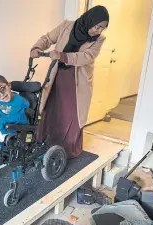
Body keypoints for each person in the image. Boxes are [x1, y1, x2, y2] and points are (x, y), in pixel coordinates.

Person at [30, 5, 109, 159]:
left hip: (77, 81)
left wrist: (63, 56)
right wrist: (37, 47)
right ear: (90, 19)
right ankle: (46, 144)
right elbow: (48, 38)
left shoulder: (99, 40)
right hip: (57, 75)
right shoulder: (66, 26)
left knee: (72, 114)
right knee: (52, 110)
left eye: (102, 28)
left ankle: (67, 149)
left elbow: (87, 57)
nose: (98, 31)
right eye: (97, 26)